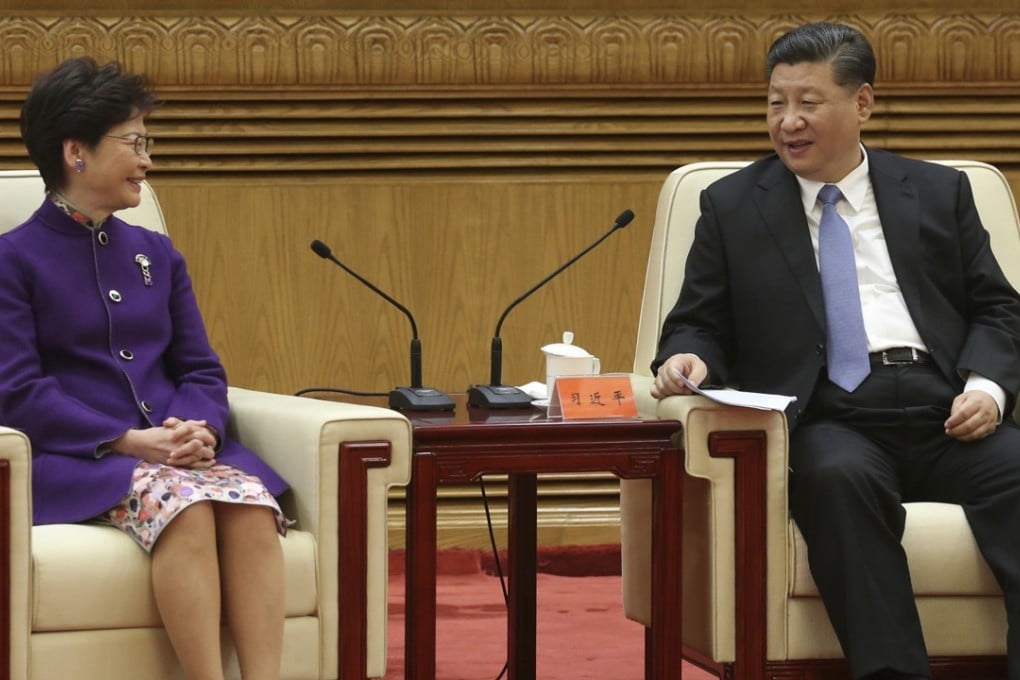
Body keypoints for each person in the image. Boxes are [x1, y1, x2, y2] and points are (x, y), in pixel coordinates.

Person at [650, 22, 1020, 680]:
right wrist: (689, 359)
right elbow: (697, 323)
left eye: (808, 102)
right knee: (834, 481)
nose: (787, 121)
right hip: (832, 416)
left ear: (863, 105)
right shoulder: (733, 206)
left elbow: (998, 308)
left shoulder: (939, 192)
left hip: (948, 410)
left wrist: (989, 391)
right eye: (775, 103)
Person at [0, 57, 290, 680]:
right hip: (80, 460)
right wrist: (128, 441)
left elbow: (202, 370)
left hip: (176, 448)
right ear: (75, 151)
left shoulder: (157, 253)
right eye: (133, 142)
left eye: (146, 141)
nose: (148, 159)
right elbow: (17, 391)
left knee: (248, 503)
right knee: (187, 507)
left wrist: (198, 429)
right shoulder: (14, 259)